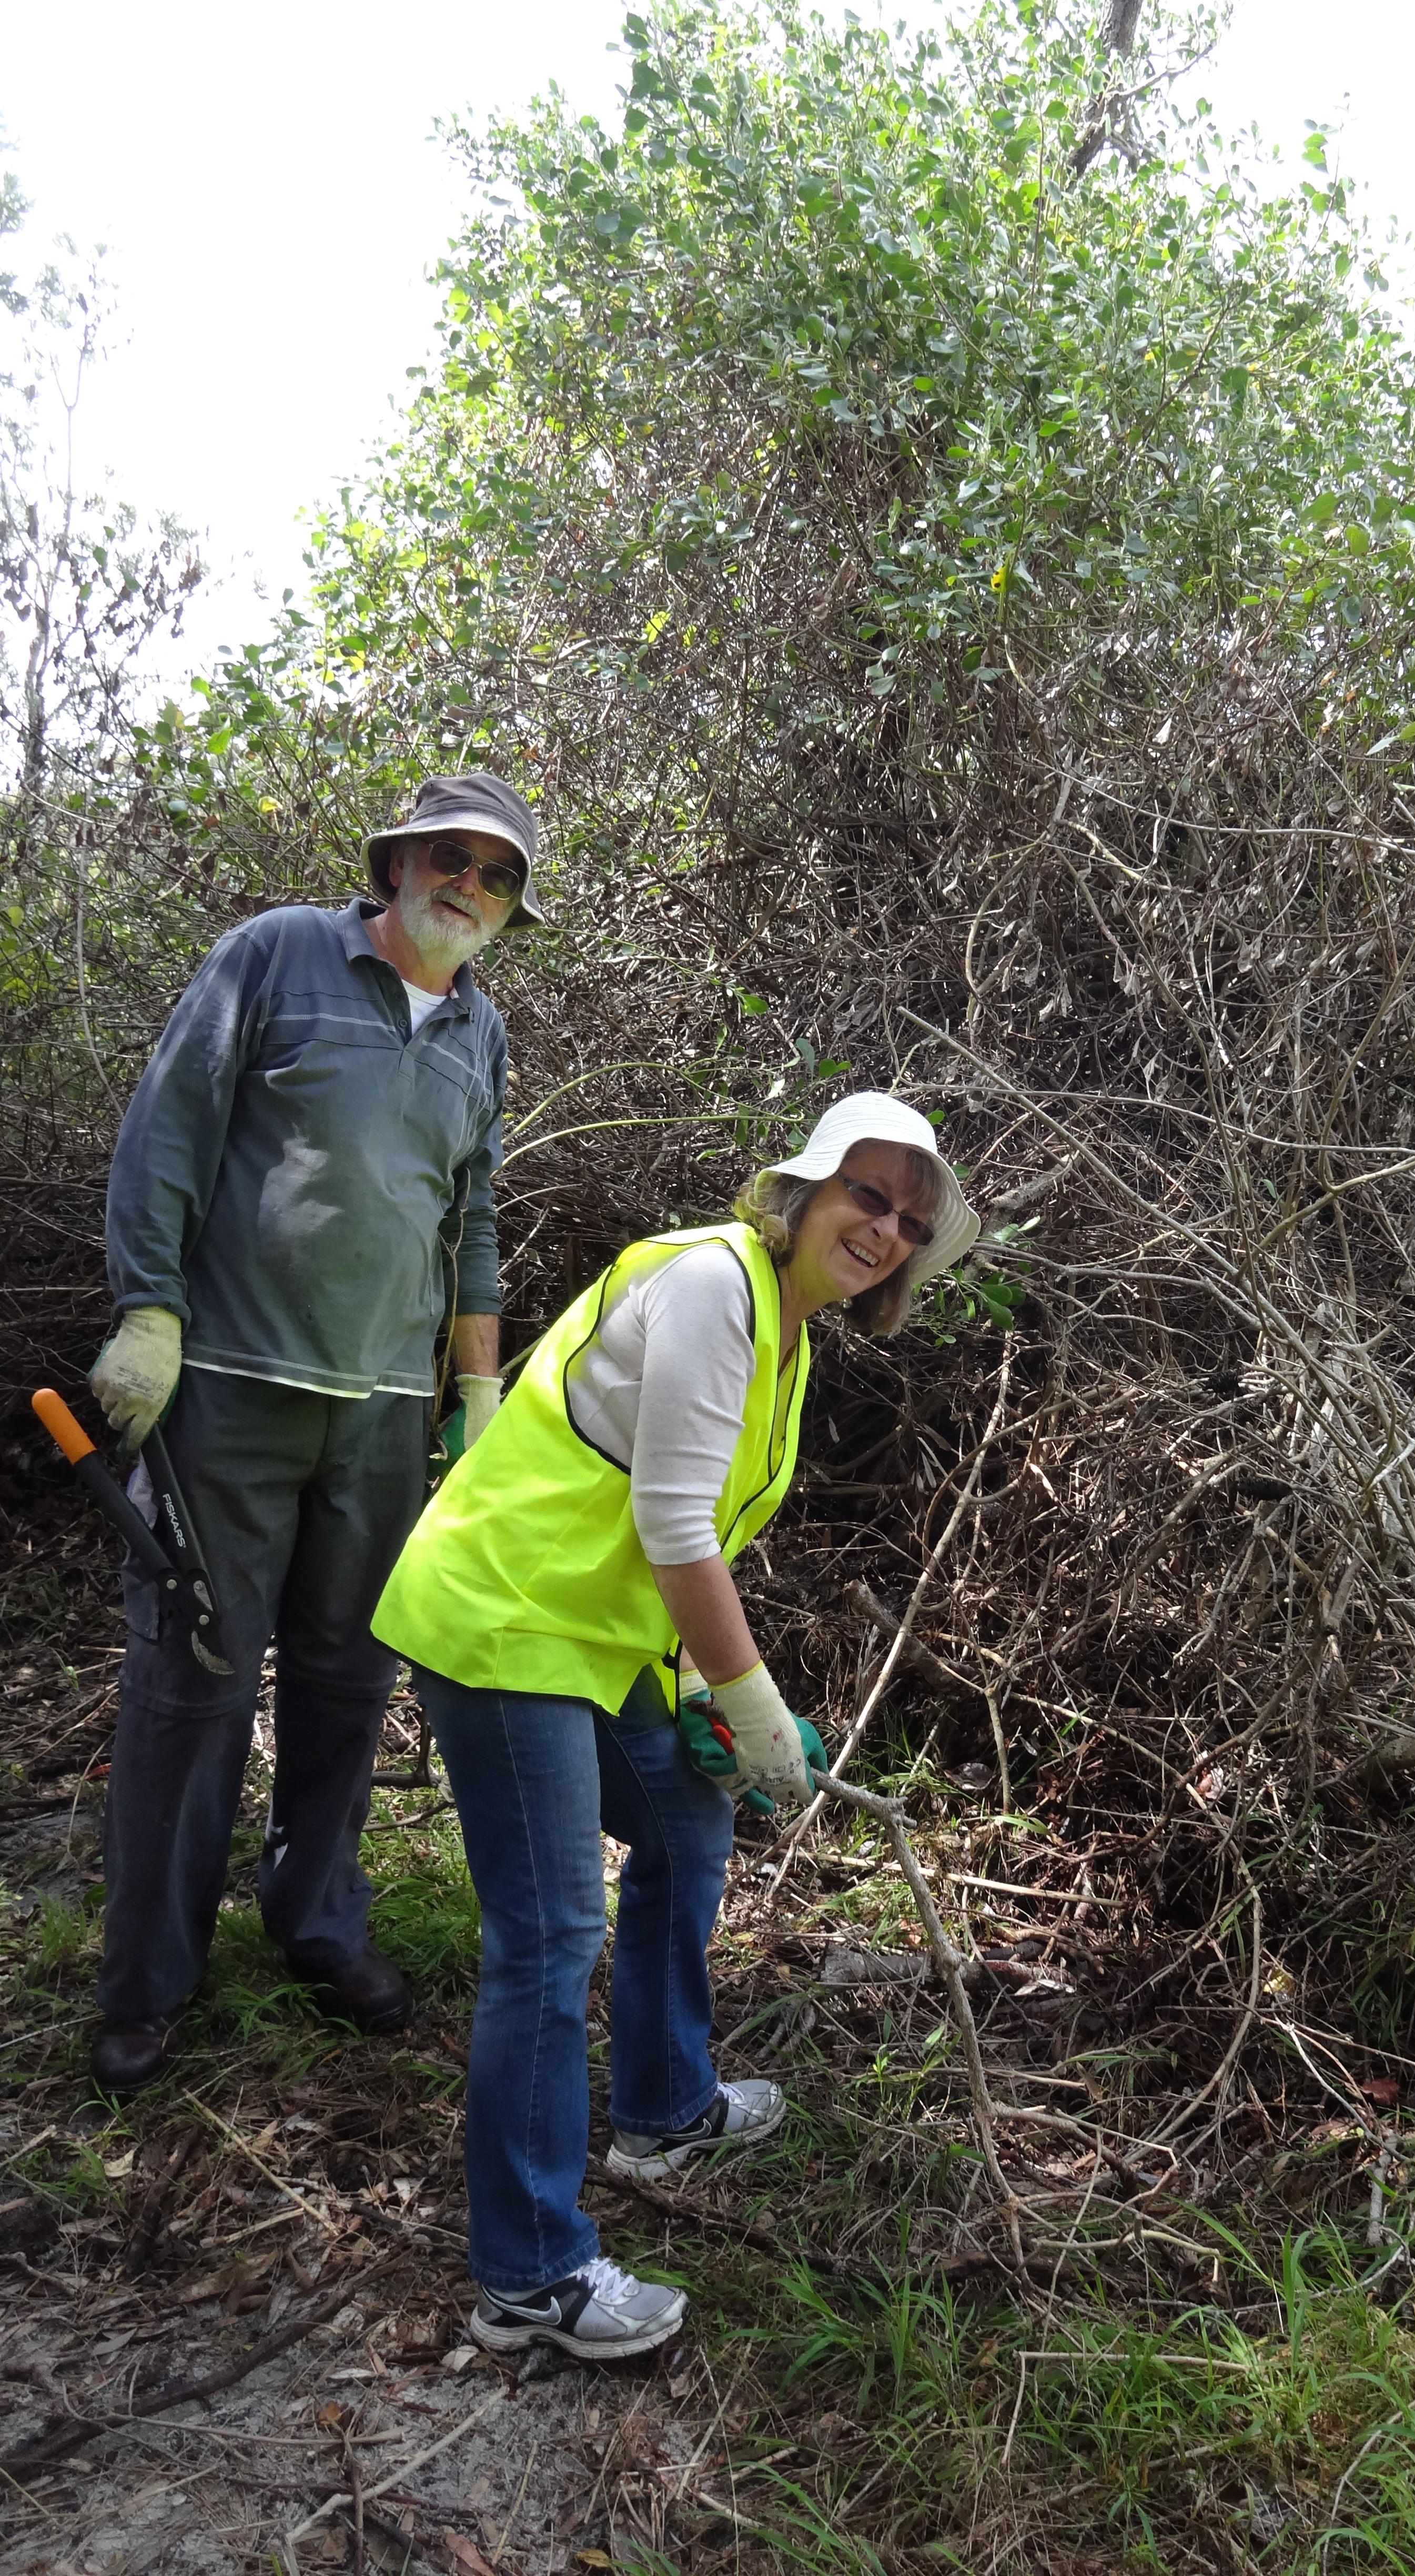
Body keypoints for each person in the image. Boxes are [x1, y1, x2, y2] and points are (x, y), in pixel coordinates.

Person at [369, 1093, 981, 2361]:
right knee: (548, 1935)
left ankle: (662, 2107)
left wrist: (705, 1690)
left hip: (593, 1638)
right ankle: (529, 2281)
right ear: (805, 1192)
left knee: (689, 1825)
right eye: (868, 1195)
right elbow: (673, 1526)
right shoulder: (714, 1284)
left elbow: (680, 1530)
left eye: (911, 1221)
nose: (886, 1229)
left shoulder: (788, 1336)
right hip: (503, 1616)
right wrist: (748, 1697)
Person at [85, 774, 545, 2096]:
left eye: (498, 876)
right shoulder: (277, 953)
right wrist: (149, 1313)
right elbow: (167, 1131)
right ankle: (149, 1979)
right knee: (196, 1683)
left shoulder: (481, 1034)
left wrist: (476, 1390)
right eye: (451, 858)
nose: (470, 885)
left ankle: (317, 1921)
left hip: (385, 1421)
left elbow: (472, 1221)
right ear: (398, 860)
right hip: (223, 1390)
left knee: (349, 1682)